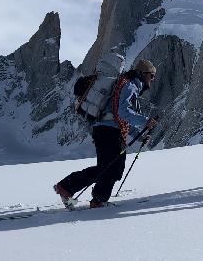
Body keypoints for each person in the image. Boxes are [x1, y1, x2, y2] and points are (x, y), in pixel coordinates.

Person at [54, 60, 158, 208]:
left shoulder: (126, 84)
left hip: (105, 129)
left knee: (109, 167)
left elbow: (121, 116)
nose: (152, 79)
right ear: (142, 74)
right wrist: (145, 121)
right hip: (109, 131)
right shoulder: (130, 85)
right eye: (151, 75)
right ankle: (74, 190)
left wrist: (140, 134)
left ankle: (92, 197)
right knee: (111, 168)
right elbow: (123, 112)